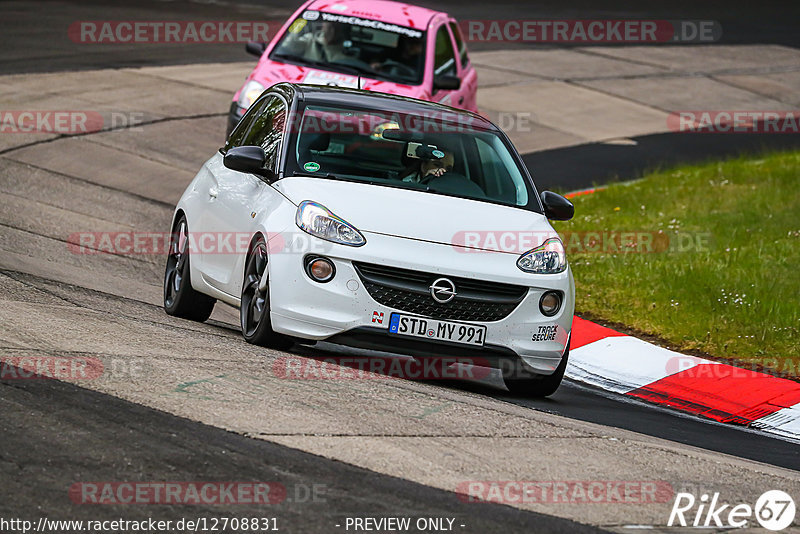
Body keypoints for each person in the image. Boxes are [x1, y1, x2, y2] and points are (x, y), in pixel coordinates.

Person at [280, 21, 349, 63]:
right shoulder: (310, 39)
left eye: (335, 27)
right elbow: (290, 45)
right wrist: (298, 26)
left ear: (340, 30)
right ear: (322, 26)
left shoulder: (347, 48)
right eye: (329, 27)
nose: (332, 31)